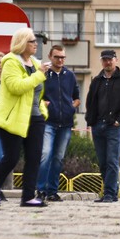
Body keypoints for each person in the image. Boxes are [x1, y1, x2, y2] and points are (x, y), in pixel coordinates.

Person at [0, 30, 50, 207]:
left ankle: (28, 197)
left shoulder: (36, 63)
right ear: (22, 43)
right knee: (11, 157)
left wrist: (43, 107)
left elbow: (36, 91)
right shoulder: (11, 62)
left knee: (34, 157)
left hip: (35, 117)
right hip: (12, 117)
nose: (36, 44)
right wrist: (39, 75)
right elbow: (16, 87)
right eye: (32, 41)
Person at [86, 49, 120, 203]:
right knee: (102, 161)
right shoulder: (96, 80)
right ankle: (110, 193)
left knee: (112, 160)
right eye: (105, 60)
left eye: (110, 59)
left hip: (114, 126)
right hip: (98, 125)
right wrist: (90, 120)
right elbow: (90, 102)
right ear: (102, 61)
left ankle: (109, 193)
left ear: (116, 60)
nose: (107, 62)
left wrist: (119, 120)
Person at [36, 45, 80, 202]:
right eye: (57, 57)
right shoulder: (43, 74)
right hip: (48, 122)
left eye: (63, 57)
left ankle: (52, 191)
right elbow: (34, 94)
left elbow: (77, 98)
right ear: (50, 56)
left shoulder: (70, 75)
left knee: (58, 158)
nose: (60, 60)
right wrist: (43, 104)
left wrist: (70, 107)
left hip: (66, 123)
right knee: (45, 154)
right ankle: (40, 190)